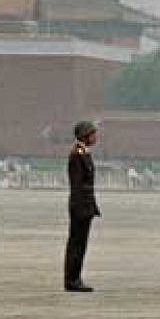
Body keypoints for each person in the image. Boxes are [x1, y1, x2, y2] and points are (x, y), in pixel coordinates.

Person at [65, 120, 101, 292]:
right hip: (80, 206)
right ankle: (72, 280)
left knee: (80, 244)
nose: (95, 137)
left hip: (85, 206)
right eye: (92, 134)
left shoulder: (84, 152)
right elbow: (78, 185)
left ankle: (75, 278)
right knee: (76, 245)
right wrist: (82, 207)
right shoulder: (77, 154)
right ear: (85, 136)